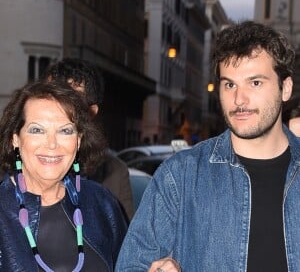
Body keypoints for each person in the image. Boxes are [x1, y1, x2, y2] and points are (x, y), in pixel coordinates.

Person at [115, 20, 300, 271]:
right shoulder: (180, 175)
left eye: (255, 82)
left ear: (285, 88)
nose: (239, 99)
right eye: (229, 84)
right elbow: (131, 265)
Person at [0, 81, 128, 271]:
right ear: (15, 138)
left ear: (78, 141)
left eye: (65, 130)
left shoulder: (101, 203)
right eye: (37, 130)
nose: (52, 144)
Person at [42, 58, 134, 221]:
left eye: (72, 98)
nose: (60, 106)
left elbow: (126, 241)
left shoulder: (114, 173)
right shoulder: (17, 165)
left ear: (92, 112)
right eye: (52, 96)